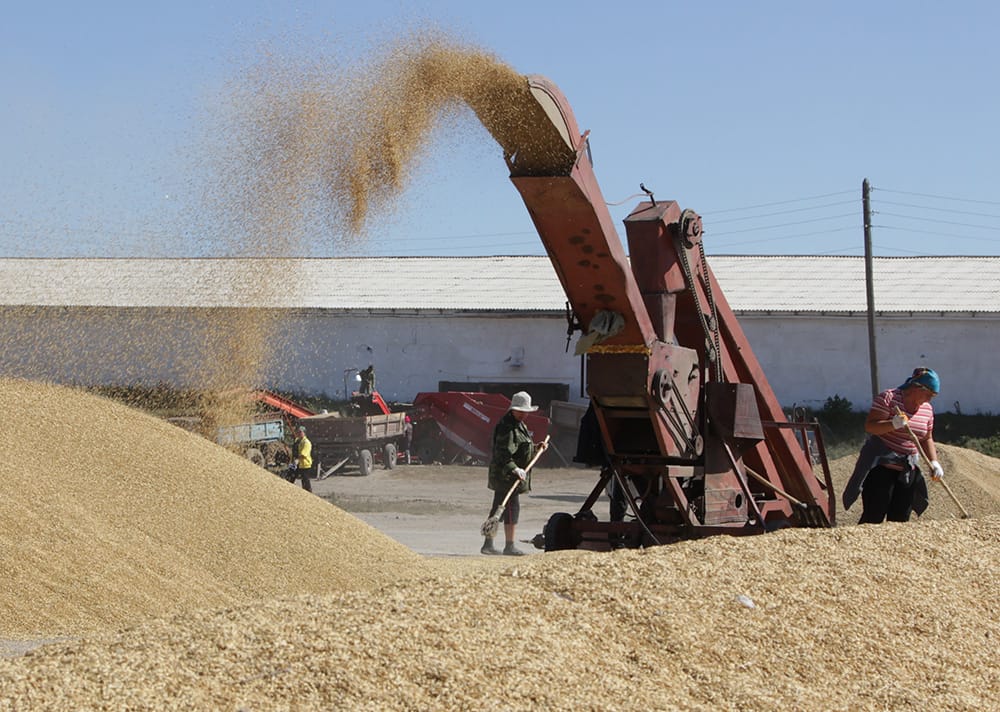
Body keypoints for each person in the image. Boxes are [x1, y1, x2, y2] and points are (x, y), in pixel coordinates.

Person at [843, 367, 944, 524]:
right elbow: (871, 426)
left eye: (933, 396)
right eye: (929, 394)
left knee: (900, 520)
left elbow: (926, 438)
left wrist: (934, 462)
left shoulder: (927, 410)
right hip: (881, 470)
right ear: (917, 388)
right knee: (874, 516)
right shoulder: (889, 398)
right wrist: (893, 424)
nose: (930, 400)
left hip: (907, 472)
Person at [482, 391, 542, 556]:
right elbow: (502, 453)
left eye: (526, 412)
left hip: (511, 475)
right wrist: (515, 468)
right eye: (521, 411)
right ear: (513, 409)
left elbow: (522, 447)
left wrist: (536, 447)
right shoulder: (507, 427)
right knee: (510, 509)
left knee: (498, 510)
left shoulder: (519, 424)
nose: (524, 414)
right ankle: (509, 546)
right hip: (506, 476)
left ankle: (488, 544)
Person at [288, 425, 314, 493]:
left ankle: (308, 493)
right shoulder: (297, 441)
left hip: (304, 464)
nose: (299, 433)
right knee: (290, 476)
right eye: (298, 432)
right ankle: (287, 490)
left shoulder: (306, 442)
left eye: (300, 432)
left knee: (305, 480)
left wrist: (297, 460)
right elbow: (294, 451)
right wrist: (292, 461)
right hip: (295, 463)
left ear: (304, 433)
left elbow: (303, 454)